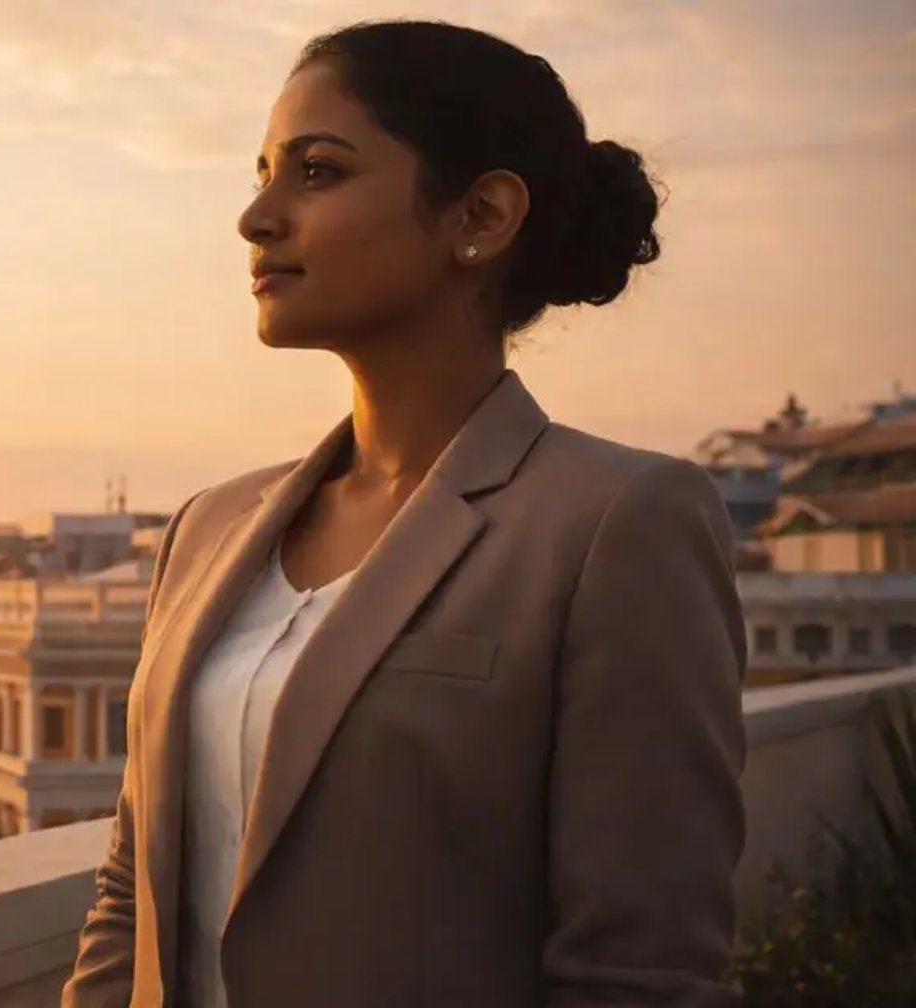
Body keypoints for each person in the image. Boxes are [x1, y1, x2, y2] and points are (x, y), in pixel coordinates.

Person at [61, 19, 746, 1008]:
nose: (256, 217)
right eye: (262, 173)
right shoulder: (208, 529)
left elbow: (640, 972)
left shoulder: (616, 523)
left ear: (482, 215)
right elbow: (131, 896)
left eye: (319, 172)